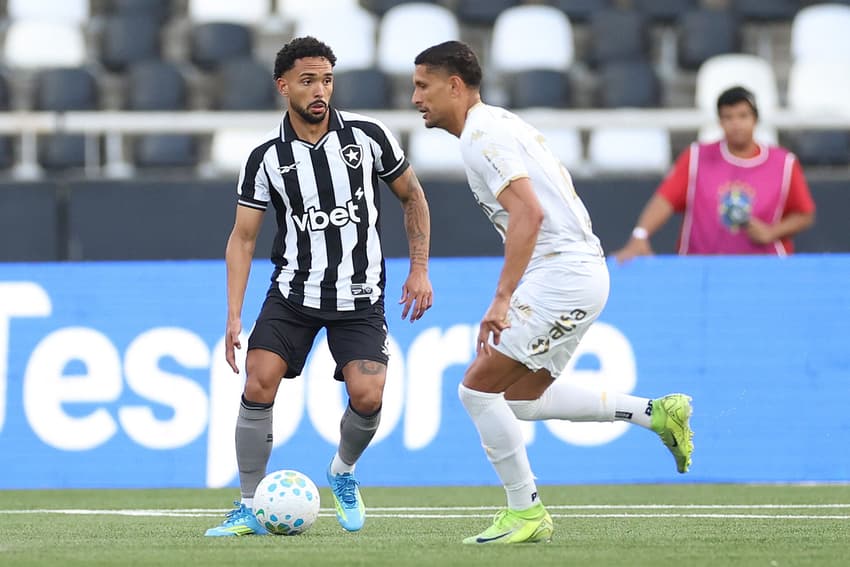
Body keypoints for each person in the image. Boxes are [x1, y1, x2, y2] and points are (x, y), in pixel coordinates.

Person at [411, 40, 693, 545]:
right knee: (517, 400)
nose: (415, 98)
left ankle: (526, 512)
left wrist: (501, 299)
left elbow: (530, 214)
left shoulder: (481, 136)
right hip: (578, 270)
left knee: (475, 390)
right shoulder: (498, 123)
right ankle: (653, 413)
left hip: (561, 274)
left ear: (454, 86)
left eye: (422, 86)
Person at [205, 36, 433, 537]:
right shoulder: (265, 157)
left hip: (359, 295)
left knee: (369, 395)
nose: (319, 90)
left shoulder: (369, 138)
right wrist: (234, 314)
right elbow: (243, 239)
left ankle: (343, 473)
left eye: (327, 79)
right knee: (258, 381)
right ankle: (248, 504)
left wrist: (419, 269)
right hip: (294, 294)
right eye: (308, 80)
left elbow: (412, 197)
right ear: (283, 85)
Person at [615, 86, 816, 261]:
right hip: (701, 266)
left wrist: (771, 233)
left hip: (763, 267)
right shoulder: (696, 157)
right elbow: (664, 200)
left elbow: (805, 214)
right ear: (720, 122)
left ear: (755, 119)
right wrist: (640, 235)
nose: (736, 124)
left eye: (743, 116)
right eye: (728, 117)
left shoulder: (783, 163)